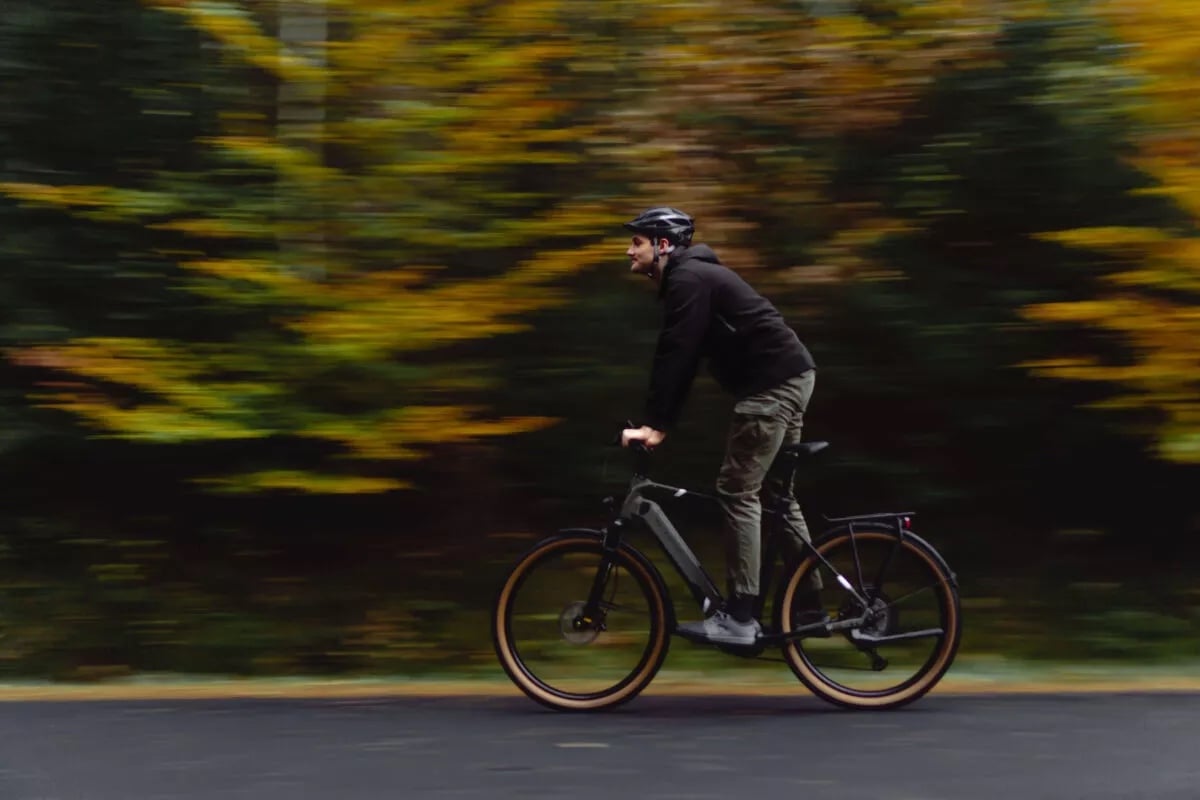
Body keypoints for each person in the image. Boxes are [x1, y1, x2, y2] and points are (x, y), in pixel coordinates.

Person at [620, 206, 818, 646]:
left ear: (663, 245)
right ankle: (808, 604)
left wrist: (655, 425)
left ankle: (740, 618)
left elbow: (677, 352)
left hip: (771, 386)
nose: (629, 251)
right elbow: (685, 353)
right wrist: (661, 420)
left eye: (637, 242)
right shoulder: (696, 277)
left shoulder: (688, 279)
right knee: (777, 497)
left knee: (737, 490)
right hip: (792, 375)